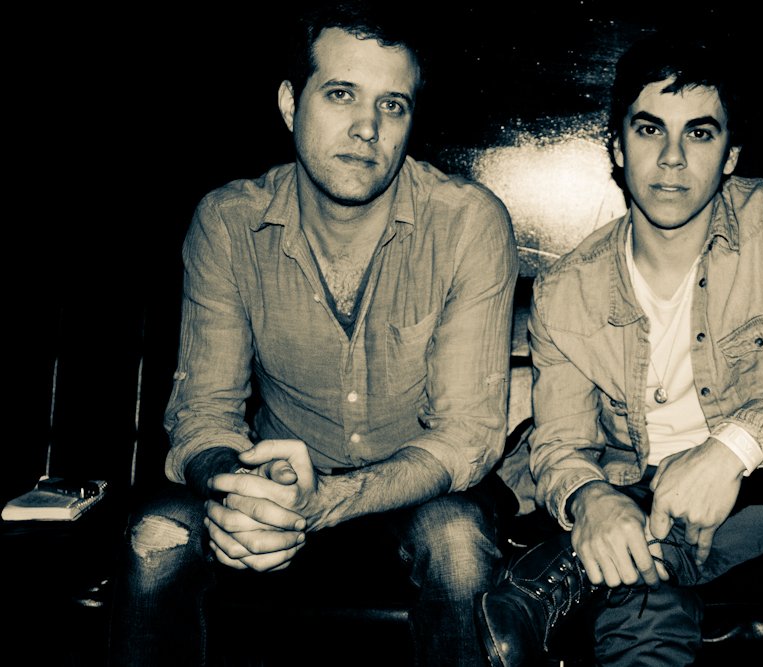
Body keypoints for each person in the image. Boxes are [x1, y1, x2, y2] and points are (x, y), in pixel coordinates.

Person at [476, 31, 763, 667]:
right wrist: (592, 500)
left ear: (731, 154)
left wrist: (730, 450)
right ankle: (643, 549)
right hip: (645, 496)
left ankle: (605, 559)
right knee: (638, 591)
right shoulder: (566, 291)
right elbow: (560, 445)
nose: (672, 159)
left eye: (700, 133)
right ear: (617, 147)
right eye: (650, 130)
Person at [108, 3, 518, 666]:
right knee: (156, 539)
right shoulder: (229, 222)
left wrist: (330, 500)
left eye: (392, 105)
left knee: (458, 546)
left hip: (416, 487)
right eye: (341, 94)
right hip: (272, 477)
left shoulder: (467, 222)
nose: (367, 128)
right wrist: (239, 487)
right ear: (289, 103)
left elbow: (466, 436)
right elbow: (203, 415)